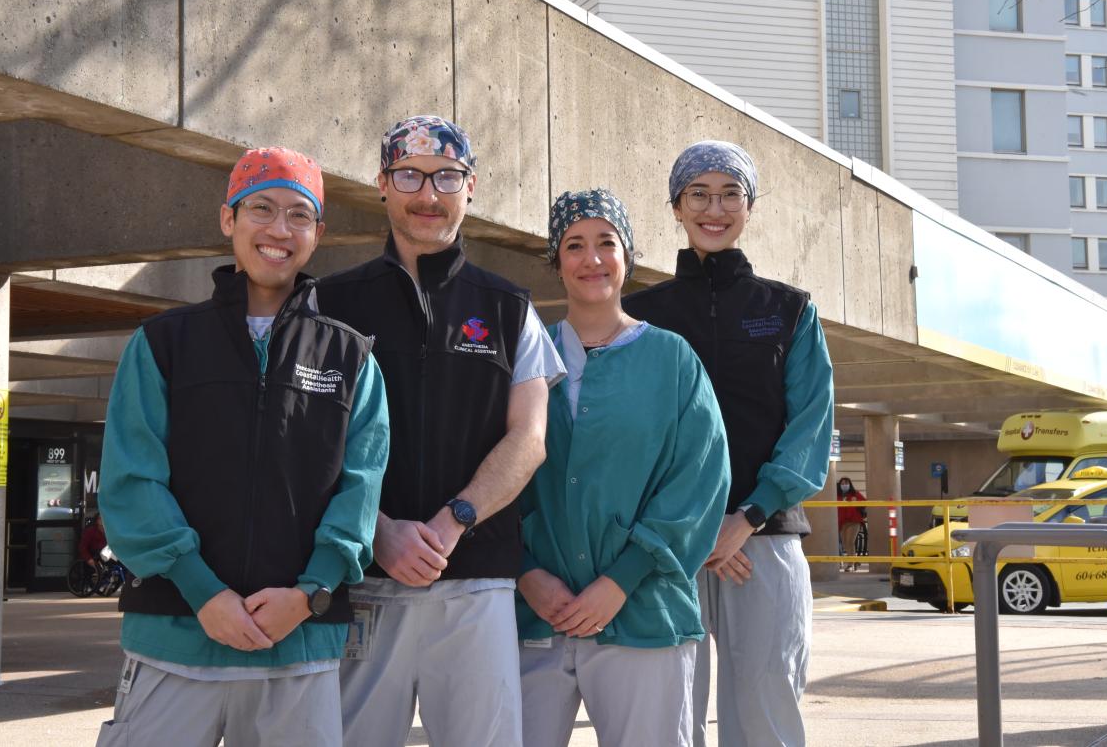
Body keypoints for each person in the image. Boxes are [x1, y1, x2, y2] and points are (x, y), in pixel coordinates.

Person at [95, 147, 390, 747]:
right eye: (261, 208)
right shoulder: (162, 344)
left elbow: (360, 490)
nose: (278, 230)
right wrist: (204, 593)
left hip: (299, 645)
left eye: (298, 214)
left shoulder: (352, 358)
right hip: (173, 636)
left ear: (318, 233)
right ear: (229, 219)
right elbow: (132, 483)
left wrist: (309, 595)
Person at [316, 115, 565, 747]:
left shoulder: (510, 308)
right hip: (362, 581)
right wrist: (376, 532)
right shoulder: (327, 304)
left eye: (446, 177)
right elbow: (306, 445)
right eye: (409, 175)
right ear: (382, 183)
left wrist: (455, 519)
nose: (428, 195)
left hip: (477, 581)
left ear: (471, 185)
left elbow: (529, 438)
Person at [622, 140, 835, 747]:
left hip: (762, 542)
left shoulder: (790, 311)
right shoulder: (638, 314)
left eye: (729, 194)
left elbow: (810, 427)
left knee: (768, 710)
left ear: (750, 205)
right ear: (676, 206)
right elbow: (633, 435)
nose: (714, 209)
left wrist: (743, 520)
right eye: (698, 194)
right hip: (664, 549)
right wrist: (692, 530)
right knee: (668, 716)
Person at [516, 189, 730, 747]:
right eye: (574, 245)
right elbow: (493, 470)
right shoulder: (523, 352)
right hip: (535, 616)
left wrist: (622, 580)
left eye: (606, 243)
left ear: (627, 254)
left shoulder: (672, 359)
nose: (592, 260)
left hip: (644, 616)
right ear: (555, 261)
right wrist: (525, 573)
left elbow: (699, 482)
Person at [837, 477, 867, 570]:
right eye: (842, 483)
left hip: (854, 521)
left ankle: (850, 564)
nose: (844, 485)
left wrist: (857, 502)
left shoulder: (855, 494)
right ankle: (855, 560)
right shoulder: (837, 496)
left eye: (846, 483)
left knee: (850, 541)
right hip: (842, 522)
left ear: (850, 484)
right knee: (846, 543)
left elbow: (865, 503)